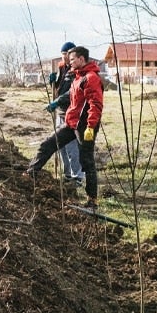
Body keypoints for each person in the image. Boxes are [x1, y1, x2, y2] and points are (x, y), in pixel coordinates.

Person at [25, 45, 104, 208]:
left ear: (82, 59)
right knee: (48, 144)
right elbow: (71, 94)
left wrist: (91, 126)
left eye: (73, 59)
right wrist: (57, 102)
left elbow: (95, 104)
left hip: (84, 126)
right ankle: (30, 174)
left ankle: (92, 201)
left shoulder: (91, 78)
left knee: (87, 161)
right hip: (72, 123)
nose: (70, 61)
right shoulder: (78, 77)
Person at [48, 41, 84, 185]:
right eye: (62, 55)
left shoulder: (77, 70)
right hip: (60, 112)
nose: (64, 58)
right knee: (60, 145)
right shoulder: (62, 68)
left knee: (72, 147)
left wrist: (58, 101)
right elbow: (59, 89)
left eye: (67, 55)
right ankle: (68, 174)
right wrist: (54, 82)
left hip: (72, 113)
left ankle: (78, 177)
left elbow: (72, 92)